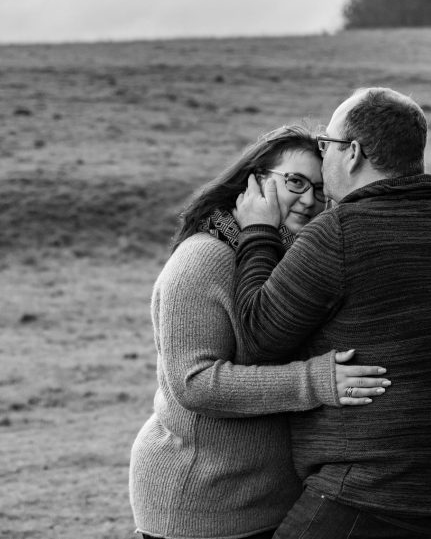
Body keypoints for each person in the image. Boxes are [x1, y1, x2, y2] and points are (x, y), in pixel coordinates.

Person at [233, 88, 431, 538]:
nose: (322, 154)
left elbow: (257, 336)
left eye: (325, 144)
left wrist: (257, 230)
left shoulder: (340, 234)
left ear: (352, 153)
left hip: (364, 492)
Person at [129, 125, 391, 539]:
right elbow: (194, 384)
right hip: (201, 502)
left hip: (267, 501)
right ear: (253, 182)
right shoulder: (204, 260)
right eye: (295, 182)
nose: (308, 200)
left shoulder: (277, 260)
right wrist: (316, 381)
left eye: (319, 189)